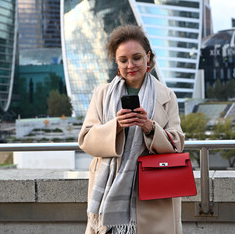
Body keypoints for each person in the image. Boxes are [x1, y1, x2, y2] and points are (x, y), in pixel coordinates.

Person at [78, 25, 185, 234]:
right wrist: (116, 126)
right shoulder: (102, 94)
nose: (130, 65)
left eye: (136, 57)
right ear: (117, 64)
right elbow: (86, 139)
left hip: (154, 192)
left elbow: (177, 143)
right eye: (123, 60)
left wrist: (150, 127)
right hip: (108, 195)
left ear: (148, 58)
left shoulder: (166, 95)